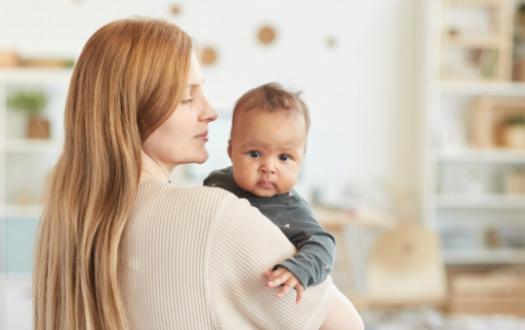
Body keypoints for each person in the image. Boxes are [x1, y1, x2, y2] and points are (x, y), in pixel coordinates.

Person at [33, 18, 364, 330]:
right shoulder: (212, 213)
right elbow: (344, 324)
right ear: (134, 111)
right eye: (187, 98)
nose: (209, 112)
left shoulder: (67, 219)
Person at [204, 83, 335, 303]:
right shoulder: (216, 182)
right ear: (231, 152)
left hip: (258, 296)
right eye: (255, 153)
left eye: (284, 157)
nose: (269, 167)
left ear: (301, 159)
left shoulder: (292, 211)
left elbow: (323, 244)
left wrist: (297, 269)